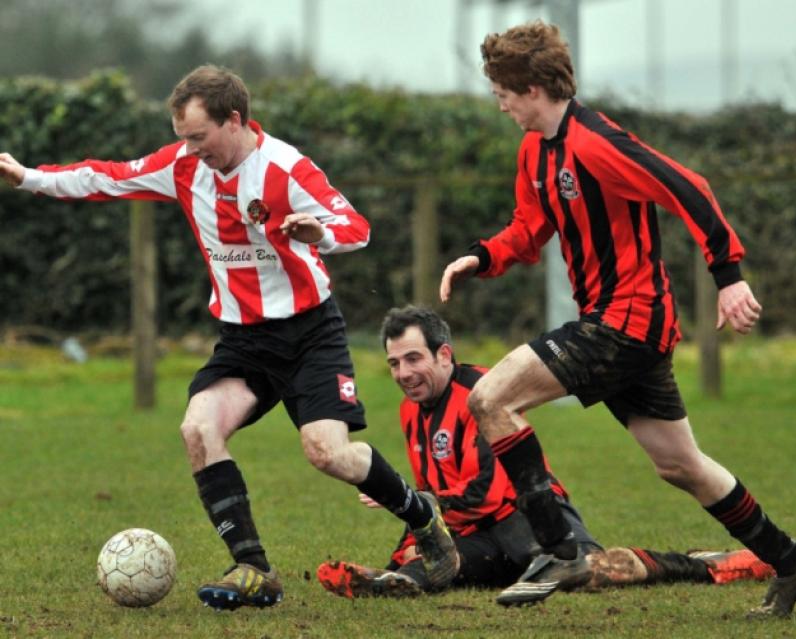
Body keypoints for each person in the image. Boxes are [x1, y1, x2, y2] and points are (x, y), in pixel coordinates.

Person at [0, 65, 459, 610]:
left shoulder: (286, 168)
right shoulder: (182, 165)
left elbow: (355, 227)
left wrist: (319, 233)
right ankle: (254, 568)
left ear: (234, 120)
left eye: (199, 137)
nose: (191, 150)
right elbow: (108, 177)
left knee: (327, 453)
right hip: (243, 342)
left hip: (309, 334)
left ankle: (422, 517)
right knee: (198, 429)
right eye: (183, 138)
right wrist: (29, 177)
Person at [436, 21, 796, 618]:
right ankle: (790, 561)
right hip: (618, 325)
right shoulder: (535, 150)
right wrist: (481, 256)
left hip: (627, 320)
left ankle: (559, 549)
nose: (500, 105)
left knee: (489, 399)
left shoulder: (596, 143)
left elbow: (689, 187)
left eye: (503, 93)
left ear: (532, 88)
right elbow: (529, 228)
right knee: (680, 465)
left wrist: (729, 275)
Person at [316, 306, 773, 603]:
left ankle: (709, 565)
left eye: (413, 359)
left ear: (444, 355)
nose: (403, 373)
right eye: (394, 363)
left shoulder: (482, 394)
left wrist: (419, 502)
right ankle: (391, 581)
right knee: (442, 567)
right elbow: (432, 506)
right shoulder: (411, 412)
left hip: (531, 517)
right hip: (480, 532)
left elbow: (488, 492)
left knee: (597, 572)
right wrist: (407, 539)